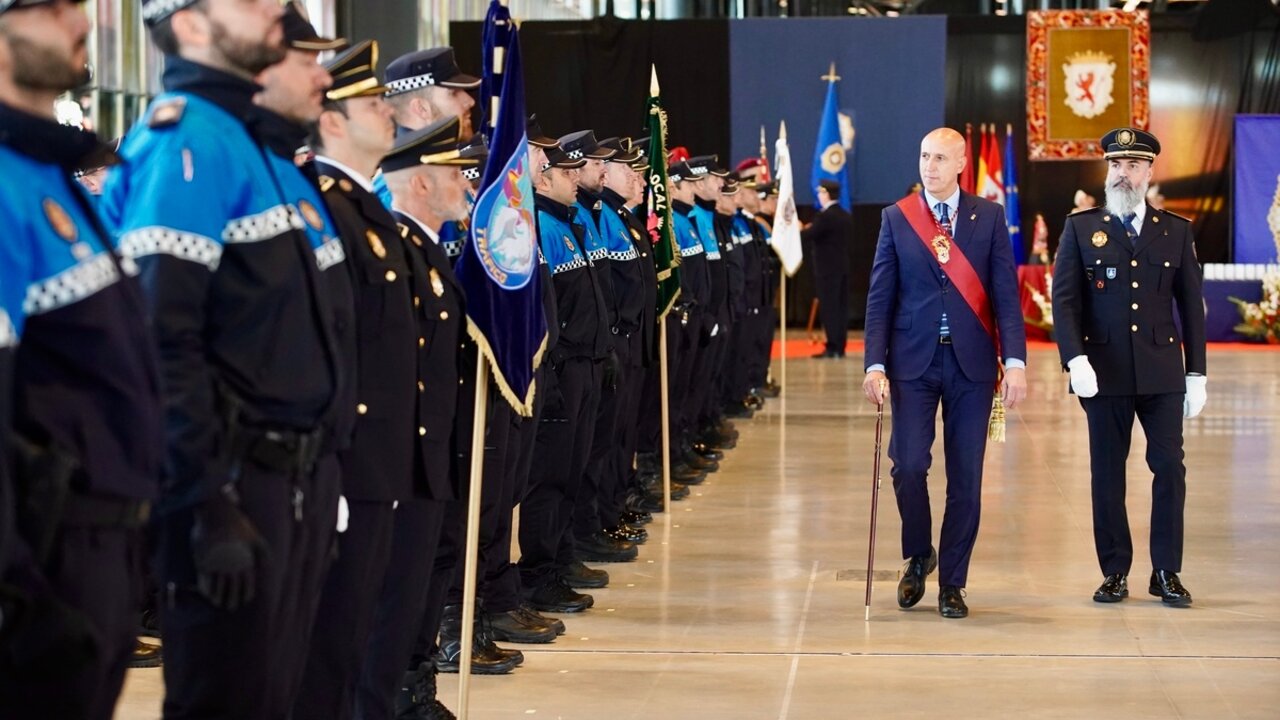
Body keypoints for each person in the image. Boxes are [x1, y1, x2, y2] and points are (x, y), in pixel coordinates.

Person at [103, 1, 344, 716]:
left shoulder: (258, 149)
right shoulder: (186, 143)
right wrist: (204, 502)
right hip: (235, 485)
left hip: (293, 479)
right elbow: (158, 338)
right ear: (192, 26)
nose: (275, 5)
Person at [0, 1, 163, 715]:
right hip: (41, 554)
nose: (83, 22)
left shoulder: (53, 173)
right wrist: (18, 587)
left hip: (101, 533)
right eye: (48, 8)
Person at [863, 127, 1027, 619]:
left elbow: (1005, 295)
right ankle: (919, 553)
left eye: (939, 158)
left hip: (972, 365)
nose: (928, 166)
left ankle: (953, 582)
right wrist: (874, 363)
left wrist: (1015, 363)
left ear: (961, 163)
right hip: (912, 362)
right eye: (923, 156)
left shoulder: (989, 217)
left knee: (966, 479)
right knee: (908, 465)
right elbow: (879, 298)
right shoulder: (898, 218)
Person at [1051, 127, 1206, 607]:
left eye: (1133, 166)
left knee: (1169, 469)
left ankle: (1166, 571)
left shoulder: (1175, 230)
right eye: (1116, 165)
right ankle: (1114, 570)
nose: (1123, 174)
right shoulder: (1081, 227)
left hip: (1162, 372)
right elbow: (1065, 301)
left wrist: (1196, 373)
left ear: (1149, 172)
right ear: (1108, 170)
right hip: (1104, 371)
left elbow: (1191, 307)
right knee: (1107, 474)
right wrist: (1075, 359)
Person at [802, 179, 853, 358]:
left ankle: (832, 346)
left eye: (821, 193)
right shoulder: (844, 215)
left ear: (826, 194)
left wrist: (799, 229)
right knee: (840, 307)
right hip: (842, 266)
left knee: (830, 307)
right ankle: (840, 345)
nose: (819, 196)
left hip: (826, 269)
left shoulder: (825, 216)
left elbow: (809, 235)